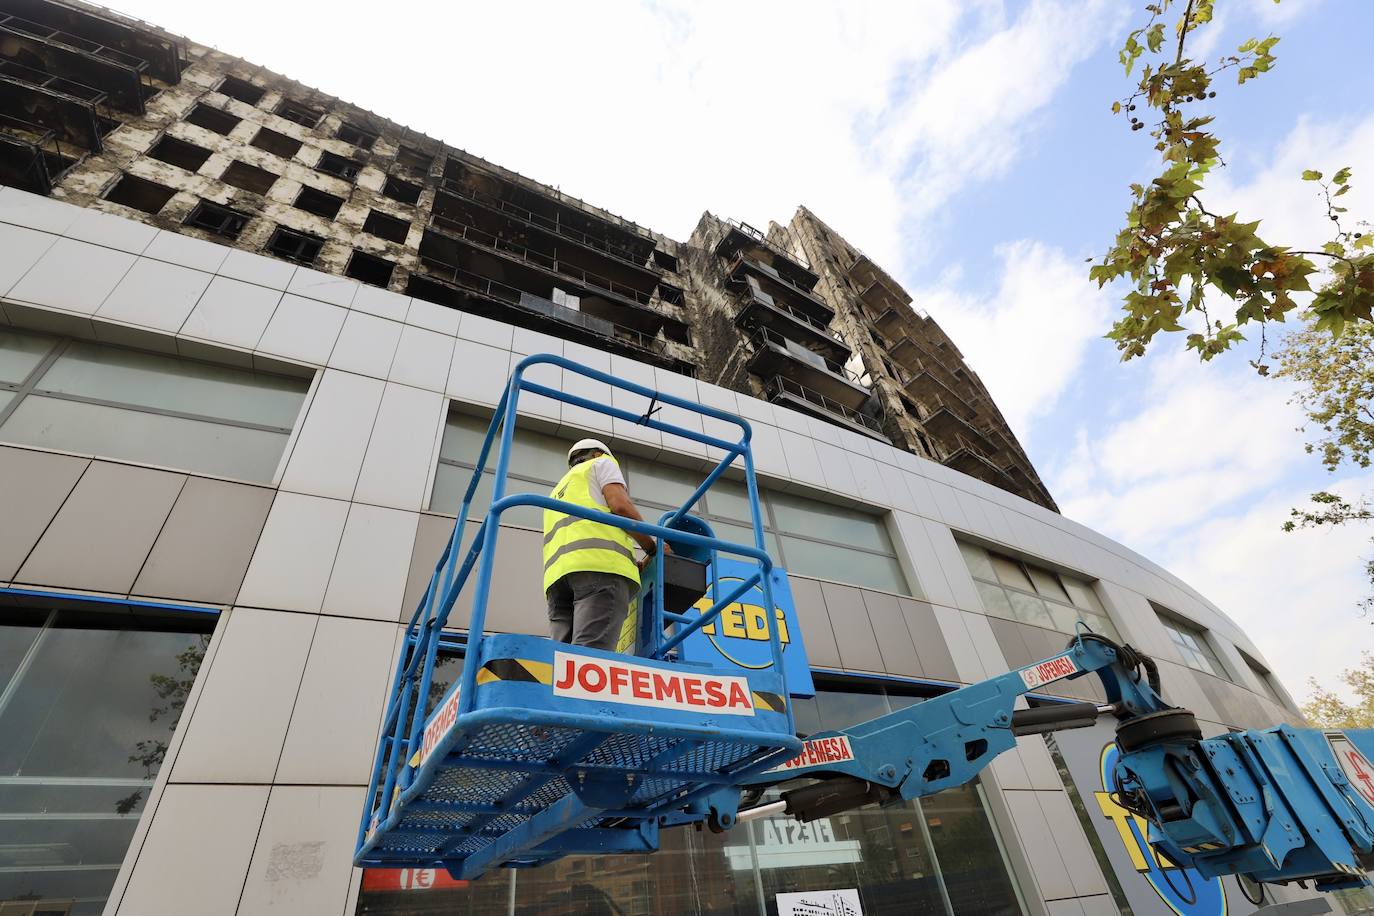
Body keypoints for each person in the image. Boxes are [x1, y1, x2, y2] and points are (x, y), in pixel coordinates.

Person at [542, 438, 667, 651]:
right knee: (590, 658)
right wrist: (653, 548)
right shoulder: (601, 464)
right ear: (598, 454)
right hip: (601, 571)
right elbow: (620, 506)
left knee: (561, 658)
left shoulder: (557, 491)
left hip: (558, 581)